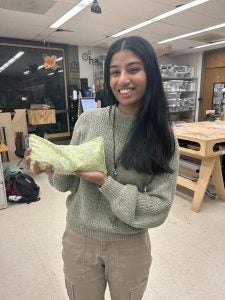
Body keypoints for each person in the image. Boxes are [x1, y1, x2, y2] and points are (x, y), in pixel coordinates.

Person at [25, 36, 179, 300]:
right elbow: (65, 184)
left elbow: (159, 208)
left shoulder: (163, 136)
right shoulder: (88, 121)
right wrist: (52, 163)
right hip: (79, 239)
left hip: (129, 246)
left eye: (133, 69)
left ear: (150, 73)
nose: (122, 80)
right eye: (114, 72)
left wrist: (105, 183)